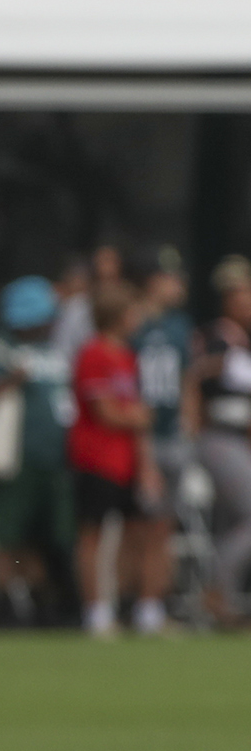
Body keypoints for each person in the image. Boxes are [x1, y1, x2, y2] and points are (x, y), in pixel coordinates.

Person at [0, 276, 77, 626]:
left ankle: (43, 604)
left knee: (44, 538)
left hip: (55, 461)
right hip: (15, 464)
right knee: (8, 537)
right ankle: (0, 605)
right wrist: (11, 379)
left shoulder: (54, 351)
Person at [69, 284, 159, 638]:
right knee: (92, 535)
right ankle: (96, 611)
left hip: (125, 462)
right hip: (95, 458)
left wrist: (146, 466)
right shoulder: (93, 354)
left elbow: (136, 418)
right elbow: (106, 412)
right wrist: (136, 416)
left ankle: (140, 606)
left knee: (142, 532)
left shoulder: (127, 357)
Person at [128, 248, 192, 634]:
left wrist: (189, 426)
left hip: (171, 435)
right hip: (139, 436)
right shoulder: (133, 322)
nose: (178, 285)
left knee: (163, 526)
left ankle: (151, 607)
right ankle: (128, 603)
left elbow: (187, 380)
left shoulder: (179, 325)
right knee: (137, 527)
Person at [191, 256, 251, 625]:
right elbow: (195, 381)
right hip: (218, 436)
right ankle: (215, 590)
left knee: (233, 522)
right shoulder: (218, 338)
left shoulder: (241, 342)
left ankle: (223, 599)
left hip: (238, 439)